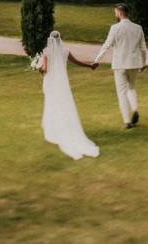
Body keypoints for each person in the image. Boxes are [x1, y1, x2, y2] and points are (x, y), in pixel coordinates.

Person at [34, 31, 99, 160]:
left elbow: (45, 69)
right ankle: (64, 128)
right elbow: (77, 61)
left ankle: (53, 130)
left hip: (51, 83)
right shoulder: (65, 50)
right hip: (62, 83)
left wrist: (37, 67)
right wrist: (90, 66)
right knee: (63, 104)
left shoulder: (46, 51)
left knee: (52, 104)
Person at [91, 3, 147, 129]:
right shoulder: (138, 28)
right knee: (131, 87)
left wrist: (97, 60)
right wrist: (143, 63)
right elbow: (143, 48)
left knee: (122, 92)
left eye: (115, 12)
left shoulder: (115, 28)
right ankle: (135, 109)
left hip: (120, 64)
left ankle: (127, 121)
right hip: (134, 64)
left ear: (120, 13)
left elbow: (107, 45)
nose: (115, 14)